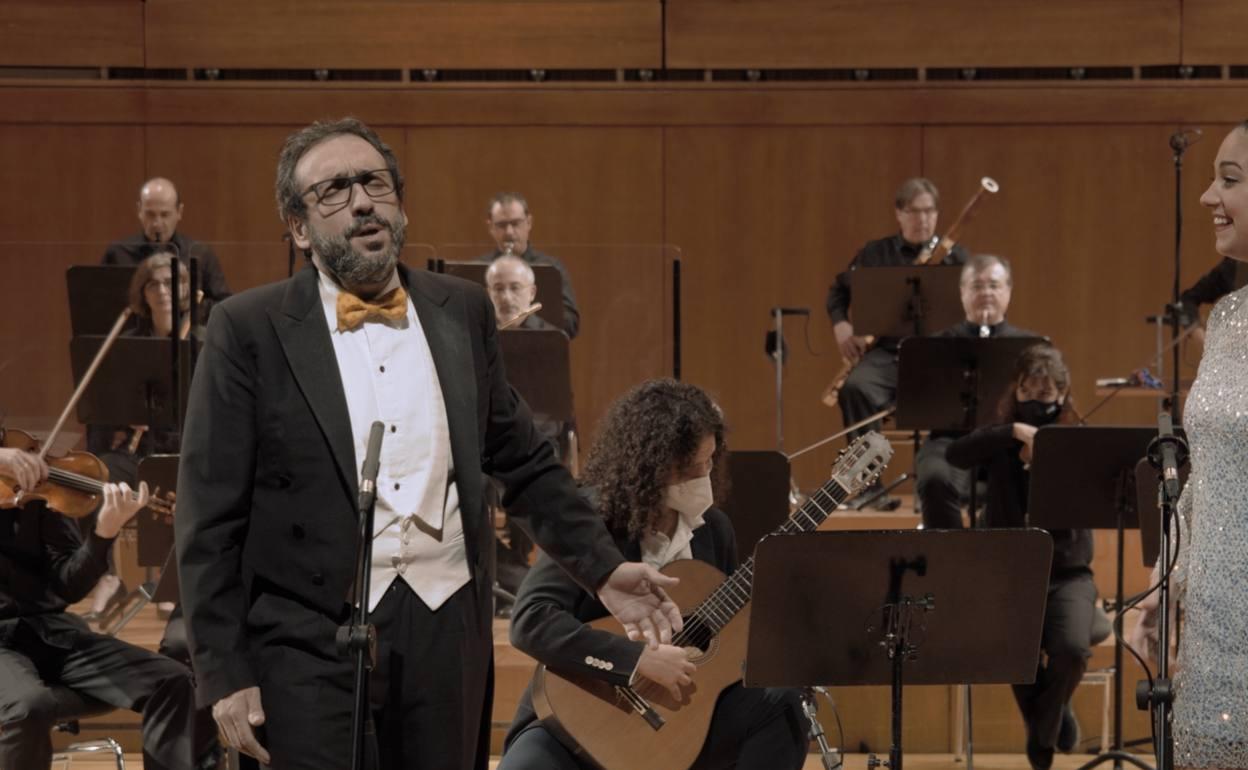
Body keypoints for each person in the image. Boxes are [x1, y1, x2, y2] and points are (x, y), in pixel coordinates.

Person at [174, 117, 683, 770]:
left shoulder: (462, 311)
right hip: (305, 644)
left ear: (400, 205)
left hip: (446, 634)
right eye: (334, 190)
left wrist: (603, 570)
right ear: (299, 228)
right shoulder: (246, 329)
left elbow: (527, 464)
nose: (362, 201)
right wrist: (223, 671)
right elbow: (208, 518)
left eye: (375, 182)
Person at [500, 379, 808, 770]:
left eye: (709, 461)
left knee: (783, 706)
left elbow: (727, 641)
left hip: (677, 721)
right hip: (583, 715)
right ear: (649, 466)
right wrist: (635, 659)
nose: (703, 475)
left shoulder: (714, 530)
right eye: (689, 468)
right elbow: (531, 622)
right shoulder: (588, 524)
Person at [1129, 120, 1248, 770]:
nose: (1207, 196)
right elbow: (1209, 473)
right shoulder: (1227, 319)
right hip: (1212, 638)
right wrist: (1164, 578)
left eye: (1229, 179)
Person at [0, 445, 216, 769]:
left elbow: (68, 585)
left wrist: (104, 532)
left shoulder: (35, 488)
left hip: (49, 634)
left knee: (173, 680)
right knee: (29, 705)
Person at [946, 343, 1093, 770]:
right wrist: (1012, 432)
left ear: (1062, 395)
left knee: (1073, 652)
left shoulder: (1077, 440)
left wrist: (1051, 457)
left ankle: (1046, 720)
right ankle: (1054, 715)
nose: (1035, 401)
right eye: (1027, 393)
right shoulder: (999, 439)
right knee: (1011, 651)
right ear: (1016, 392)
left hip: (1068, 573)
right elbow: (955, 455)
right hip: (1008, 573)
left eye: (1045, 395)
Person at [826, 177, 969, 509]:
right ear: (899, 214)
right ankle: (869, 489)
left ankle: (944, 489)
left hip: (938, 357)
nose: (923, 219)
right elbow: (838, 292)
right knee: (856, 388)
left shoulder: (955, 257)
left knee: (967, 390)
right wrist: (842, 326)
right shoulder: (876, 254)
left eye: (929, 211)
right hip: (888, 355)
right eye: (915, 211)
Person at [916, 254, 1040, 529]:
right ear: (962, 292)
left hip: (1008, 441)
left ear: (1009, 290)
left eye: (994, 285)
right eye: (977, 286)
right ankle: (951, 551)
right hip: (950, 438)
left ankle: (1002, 552)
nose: (986, 293)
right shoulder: (938, 344)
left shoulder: (1030, 346)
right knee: (934, 477)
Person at [101, 177, 231, 314]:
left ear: (179, 212)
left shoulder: (200, 253)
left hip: (186, 327)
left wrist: (186, 304)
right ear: (139, 210)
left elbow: (223, 305)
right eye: (150, 214)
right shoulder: (118, 252)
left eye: (165, 215)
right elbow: (101, 302)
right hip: (133, 327)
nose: (157, 223)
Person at [484, 192, 580, 338]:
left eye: (515, 223)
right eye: (501, 225)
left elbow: (570, 324)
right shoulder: (479, 267)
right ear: (491, 227)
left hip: (540, 347)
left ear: (528, 222)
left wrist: (526, 319)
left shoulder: (552, 268)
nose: (509, 232)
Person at [486, 253, 556, 331]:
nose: (507, 298)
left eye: (515, 288)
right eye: (499, 289)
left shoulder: (553, 336)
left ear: (532, 293)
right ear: (489, 294)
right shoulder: (479, 333)